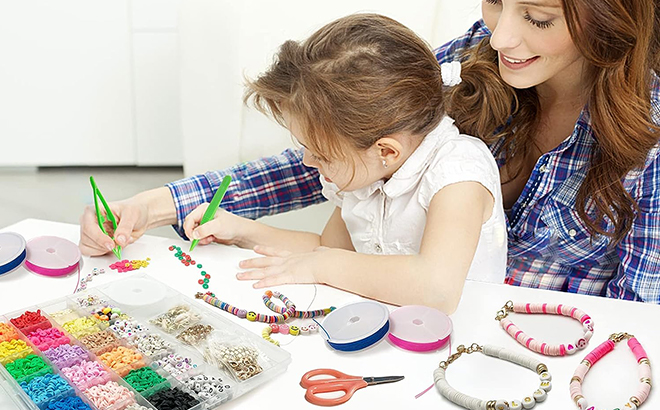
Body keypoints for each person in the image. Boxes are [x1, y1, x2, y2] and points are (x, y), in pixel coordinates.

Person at [80, 0, 660, 303]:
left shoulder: (458, 173)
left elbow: (639, 321)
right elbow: (333, 153)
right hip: (401, 329)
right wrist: (165, 206)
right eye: (493, 1)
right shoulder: (468, 59)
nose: (501, 37)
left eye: (537, 17)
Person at [178, 14, 507, 313]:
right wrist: (240, 231)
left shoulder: (457, 173)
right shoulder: (367, 172)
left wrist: (323, 267)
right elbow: (328, 248)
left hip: (465, 348)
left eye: (321, 154)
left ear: (386, 151)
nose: (307, 161)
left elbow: (436, 290)